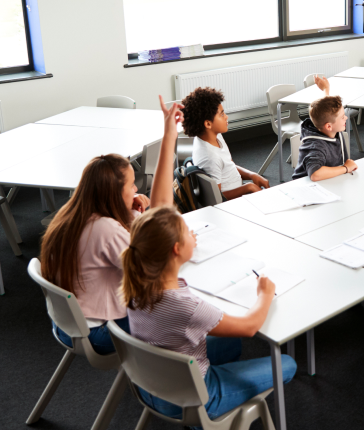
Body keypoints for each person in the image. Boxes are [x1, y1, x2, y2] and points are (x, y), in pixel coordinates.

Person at [120, 206, 296, 421]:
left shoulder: (136, 283)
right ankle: (208, 416)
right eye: (187, 231)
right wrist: (265, 294)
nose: (192, 234)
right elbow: (250, 327)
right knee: (287, 363)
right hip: (195, 400)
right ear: (176, 249)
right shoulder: (186, 306)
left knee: (231, 343)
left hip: (149, 385)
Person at [39, 96, 182, 354]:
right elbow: (154, 268)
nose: (137, 189)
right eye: (131, 185)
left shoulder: (72, 213)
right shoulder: (106, 229)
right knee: (177, 313)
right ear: (113, 193)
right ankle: (168, 376)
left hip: (66, 323)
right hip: (97, 333)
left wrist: (130, 213)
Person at [181, 87, 269, 199]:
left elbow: (229, 165)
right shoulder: (210, 158)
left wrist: (251, 175)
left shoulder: (213, 136)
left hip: (240, 190)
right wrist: (248, 188)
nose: (226, 117)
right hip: (232, 203)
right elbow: (216, 198)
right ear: (208, 124)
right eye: (222, 114)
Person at [292, 75, 358, 181]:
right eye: (342, 117)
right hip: (309, 187)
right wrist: (345, 168)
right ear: (328, 126)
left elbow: (327, 110)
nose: (346, 117)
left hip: (328, 181)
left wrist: (326, 90)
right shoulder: (316, 146)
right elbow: (315, 174)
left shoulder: (326, 125)